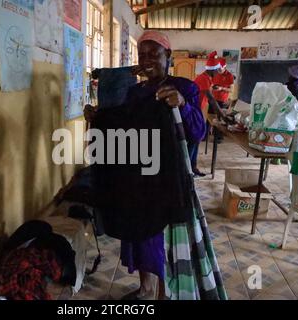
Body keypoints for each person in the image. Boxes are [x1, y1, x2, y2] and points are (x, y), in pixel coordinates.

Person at [84, 31, 205, 300]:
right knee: (139, 233)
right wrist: (99, 118)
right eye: (143, 54)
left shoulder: (185, 88)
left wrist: (183, 105)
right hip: (138, 177)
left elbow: (198, 132)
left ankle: (167, 292)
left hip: (169, 178)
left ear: (168, 56)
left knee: (164, 237)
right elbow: (123, 127)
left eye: (154, 53)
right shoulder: (134, 92)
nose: (148, 59)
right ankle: (147, 288)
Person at [193, 51, 229, 175]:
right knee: (194, 140)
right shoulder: (204, 78)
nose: (218, 73)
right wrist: (222, 114)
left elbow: (208, 91)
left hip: (196, 109)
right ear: (212, 70)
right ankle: (192, 168)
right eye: (217, 71)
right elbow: (211, 99)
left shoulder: (206, 77)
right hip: (193, 111)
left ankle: (192, 167)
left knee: (196, 139)